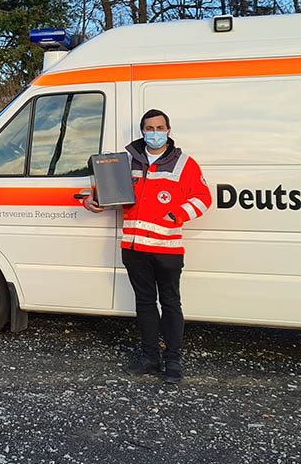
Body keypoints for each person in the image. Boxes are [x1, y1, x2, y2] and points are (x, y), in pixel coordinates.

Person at [82, 109, 210, 384]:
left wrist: (176, 215)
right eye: (149, 128)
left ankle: (173, 360)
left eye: (159, 127)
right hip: (134, 248)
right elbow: (104, 189)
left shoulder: (184, 164)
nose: (154, 132)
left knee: (171, 303)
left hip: (167, 249)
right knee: (144, 303)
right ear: (142, 131)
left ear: (169, 130)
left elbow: (203, 198)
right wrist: (89, 200)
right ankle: (149, 356)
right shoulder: (125, 161)